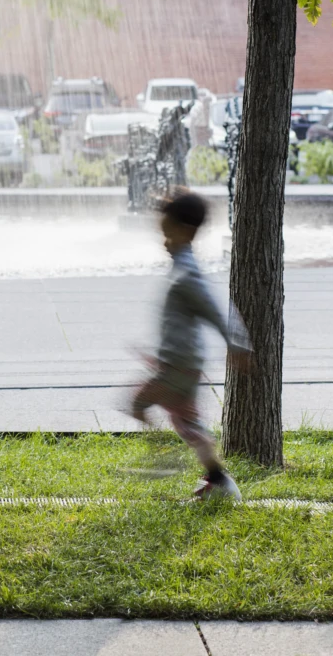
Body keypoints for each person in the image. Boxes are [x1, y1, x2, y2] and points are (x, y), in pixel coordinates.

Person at [131, 191, 253, 500]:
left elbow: (214, 309)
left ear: (185, 232)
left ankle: (163, 456)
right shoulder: (183, 267)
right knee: (189, 424)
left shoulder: (187, 273)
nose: (163, 241)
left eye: (167, 233)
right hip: (183, 364)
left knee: (138, 403)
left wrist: (236, 344)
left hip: (178, 366)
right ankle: (219, 480)